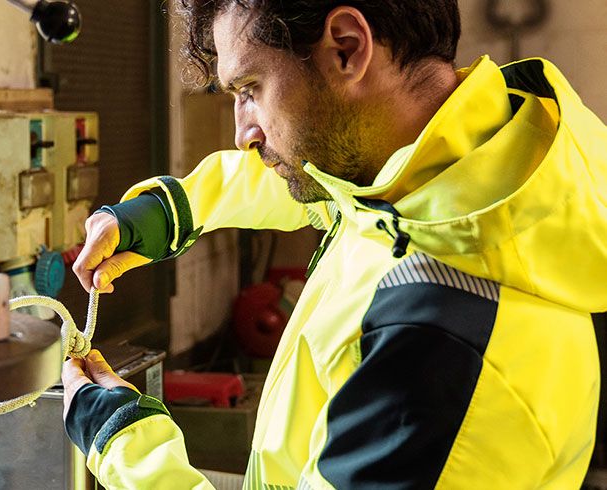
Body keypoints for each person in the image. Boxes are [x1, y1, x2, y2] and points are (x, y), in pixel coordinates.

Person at [61, 0, 607, 488]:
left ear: (347, 48)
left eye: (250, 90)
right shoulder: (449, 179)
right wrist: (173, 209)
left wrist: (127, 448)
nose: (242, 134)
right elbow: (315, 188)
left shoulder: (440, 345)